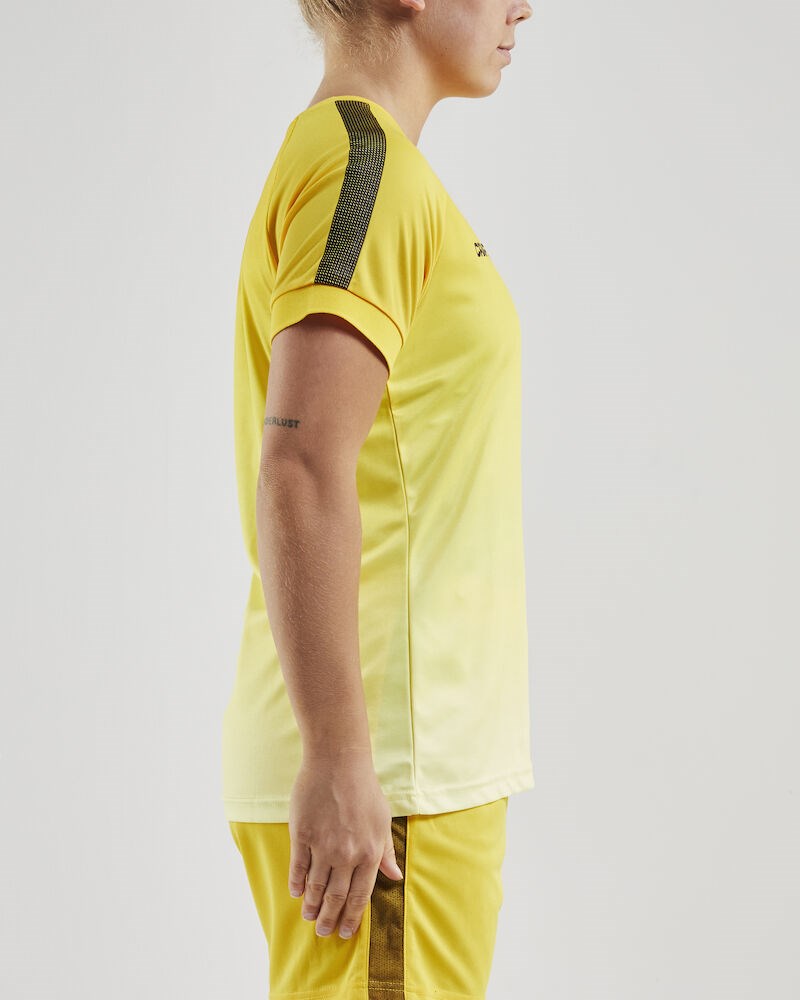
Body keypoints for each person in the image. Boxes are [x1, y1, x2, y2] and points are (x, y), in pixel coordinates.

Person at [222, 1, 535, 996]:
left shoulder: (375, 167)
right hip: (387, 771)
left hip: (405, 760)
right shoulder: (367, 170)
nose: (524, 6)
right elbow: (301, 464)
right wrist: (339, 754)